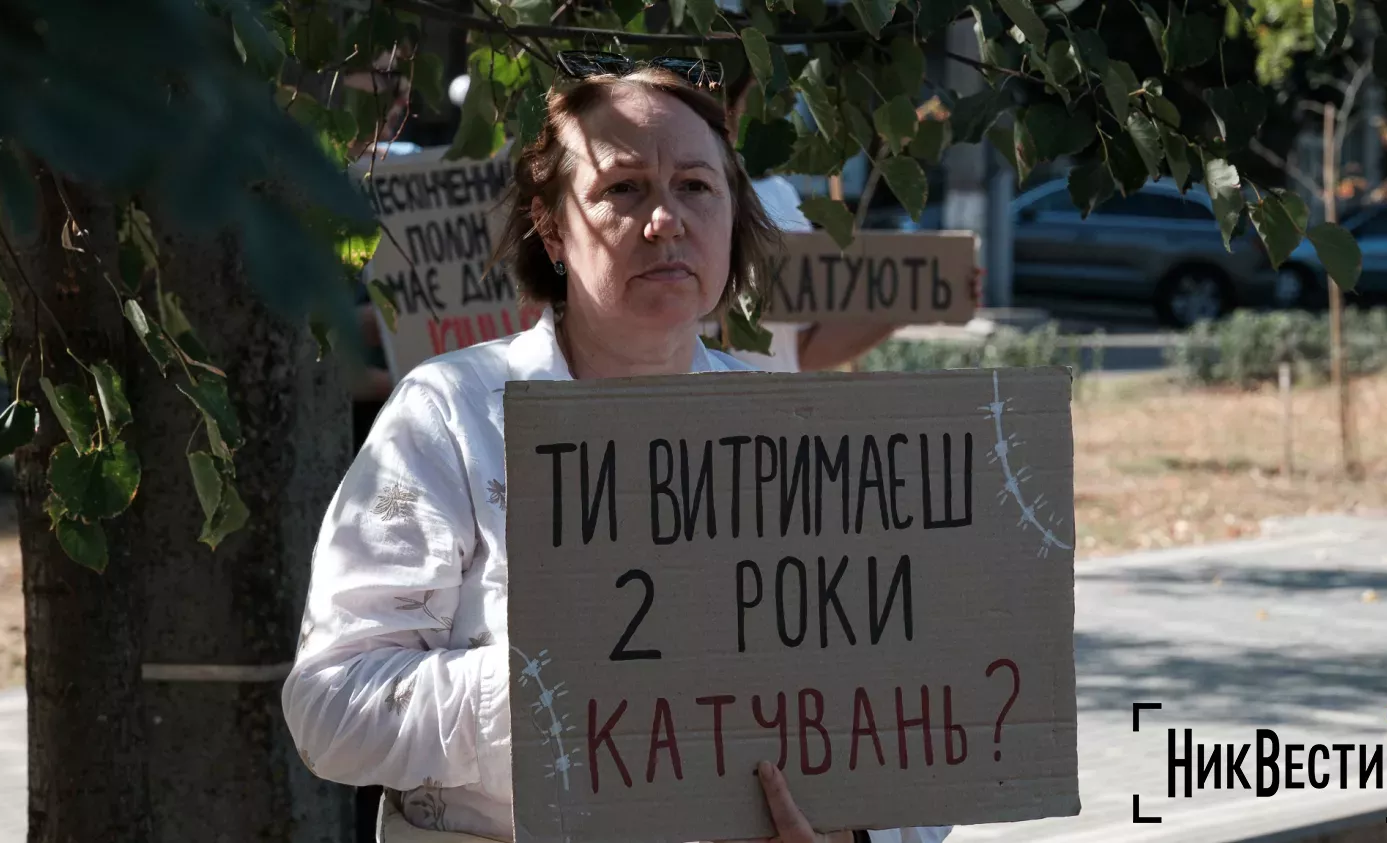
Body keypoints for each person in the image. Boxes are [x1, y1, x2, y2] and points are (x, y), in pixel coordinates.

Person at [282, 54, 953, 843]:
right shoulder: (452, 418)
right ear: (551, 226)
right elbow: (333, 707)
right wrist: (567, 692)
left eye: (697, 187)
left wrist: (851, 833)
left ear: (733, 218)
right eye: (623, 188)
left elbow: (914, 733)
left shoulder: (798, 435)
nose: (665, 219)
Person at [710, 73, 908, 374]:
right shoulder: (680, 198)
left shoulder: (780, 197)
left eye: (780, 99)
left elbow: (802, 349)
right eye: (762, 96)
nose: (774, 110)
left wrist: (919, 299)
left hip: (775, 411)